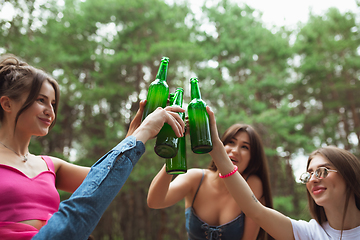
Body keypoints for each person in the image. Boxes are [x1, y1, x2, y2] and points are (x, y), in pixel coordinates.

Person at [0, 54, 185, 240]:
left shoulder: (50, 166)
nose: (50, 111)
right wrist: (141, 134)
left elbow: (105, 180)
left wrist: (133, 136)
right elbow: (89, 199)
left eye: (53, 103)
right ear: (7, 103)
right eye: (41, 100)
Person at [205, 105, 360, 240]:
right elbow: (255, 210)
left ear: (348, 174)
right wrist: (216, 149)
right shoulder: (308, 234)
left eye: (321, 171)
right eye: (309, 174)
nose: (312, 180)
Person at [147, 122, 274, 239]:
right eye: (231, 142)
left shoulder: (253, 184)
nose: (235, 150)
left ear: (253, 158)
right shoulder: (196, 178)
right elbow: (155, 201)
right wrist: (174, 147)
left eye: (245, 147)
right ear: (221, 145)